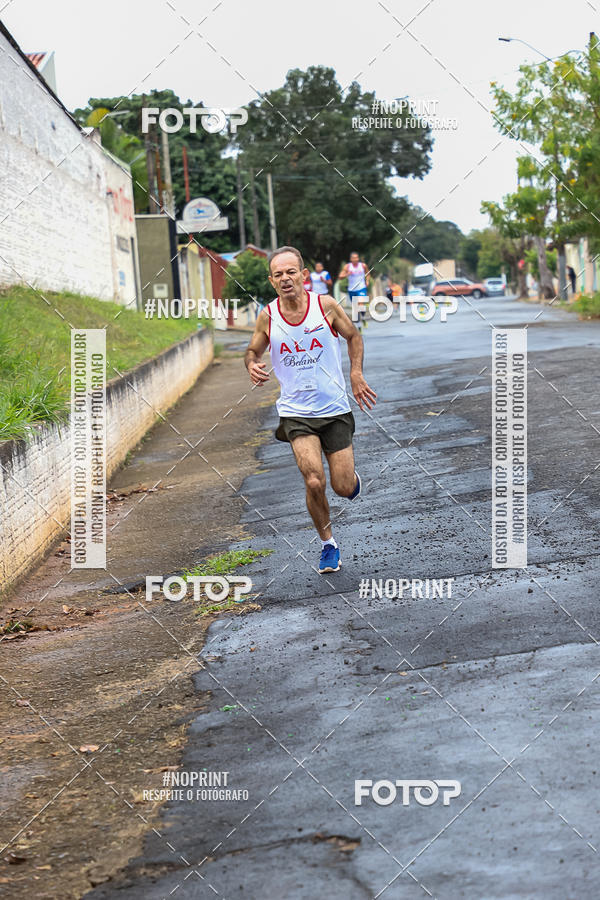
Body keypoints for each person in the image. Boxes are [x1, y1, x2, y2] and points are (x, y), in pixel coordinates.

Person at [245, 246, 377, 574]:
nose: (285, 278)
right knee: (314, 481)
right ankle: (328, 544)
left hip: (333, 408)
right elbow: (253, 349)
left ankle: (349, 481)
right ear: (272, 281)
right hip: (296, 412)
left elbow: (353, 336)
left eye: (291, 272)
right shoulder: (268, 316)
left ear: (304, 276)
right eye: (278, 274)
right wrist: (251, 363)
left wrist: (356, 373)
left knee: (342, 487)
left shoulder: (326, 306)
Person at [340, 252, 370, 330]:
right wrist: (347, 274)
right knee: (356, 307)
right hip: (351, 289)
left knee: (360, 304)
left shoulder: (363, 266)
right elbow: (340, 276)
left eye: (356, 258)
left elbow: (368, 273)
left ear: (358, 258)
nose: (355, 259)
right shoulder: (347, 267)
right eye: (353, 258)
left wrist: (367, 280)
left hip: (361, 288)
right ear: (351, 259)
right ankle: (359, 326)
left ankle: (363, 317)